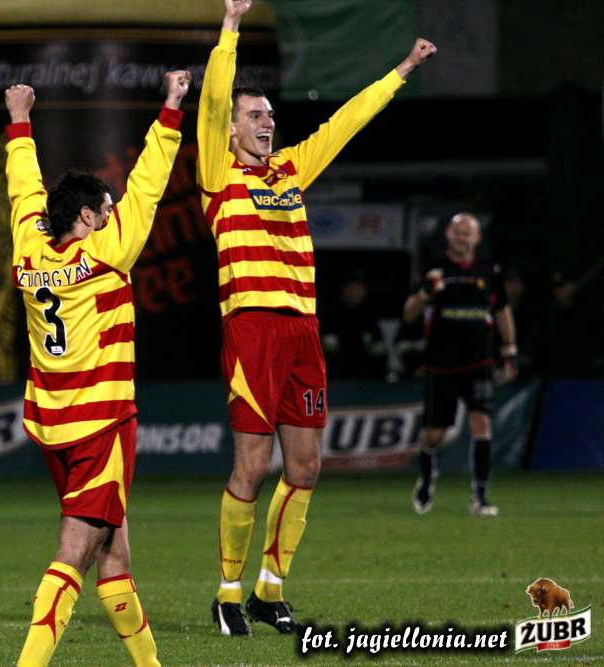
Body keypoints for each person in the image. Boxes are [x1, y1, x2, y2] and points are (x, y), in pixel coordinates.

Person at [197, 0, 437, 636]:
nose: (266, 123)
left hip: (302, 328)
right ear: (230, 129)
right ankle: (226, 592)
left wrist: (401, 71)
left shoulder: (292, 169)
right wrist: (230, 28)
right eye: (255, 116)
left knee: (305, 467)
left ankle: (269, 590)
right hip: (252, 328)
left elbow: (346, 121)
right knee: (252, 467)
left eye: (269, 115)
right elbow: (214, 100)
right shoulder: (217, 172)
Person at [6, 70, 189, 666]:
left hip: (54, 426)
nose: (113, 217)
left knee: (114, 558)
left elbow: (23, 190)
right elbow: (148, 187)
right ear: (85, 218)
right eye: (105, 211)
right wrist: (170, 109)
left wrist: (19, 122)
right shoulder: (106, 255)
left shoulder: (28, 246)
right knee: (75, 555)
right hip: (101, 426)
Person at [403, 212, 517, 517]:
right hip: (441, 363)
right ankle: (427, 475)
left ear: (477, 238)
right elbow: (409, 313)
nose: (462, 236)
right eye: (457, 231)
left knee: (482, 424)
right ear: (448, 236)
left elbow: (502, 310)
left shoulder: (489, 270)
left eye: (468, 232)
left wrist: (510, 350)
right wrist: (426, 293)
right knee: (435, 434)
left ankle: (480, 497)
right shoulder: (435, 268)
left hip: (479, 361)